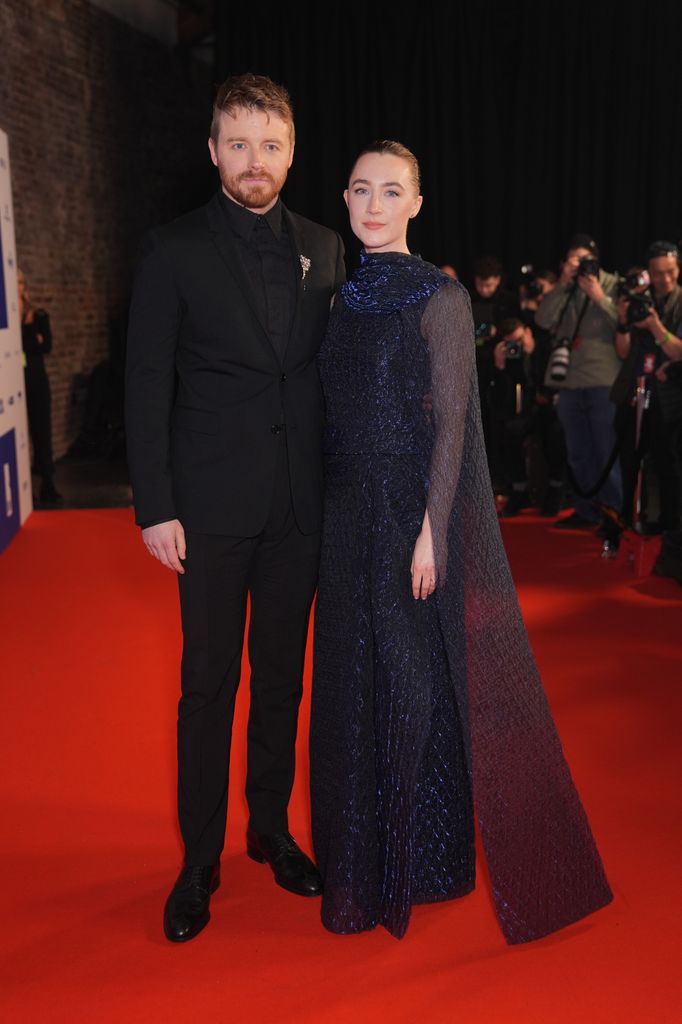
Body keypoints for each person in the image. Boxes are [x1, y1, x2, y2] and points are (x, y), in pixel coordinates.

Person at [309, 140, 612, 944]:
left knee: (415, 685)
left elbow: (452, 425)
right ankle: (362, 861)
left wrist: (431, 532)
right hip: (344, 518)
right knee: (350, 684)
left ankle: (427, 856)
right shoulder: (338, 303)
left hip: (410, 516)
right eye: (363, 190)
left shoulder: (438, 296)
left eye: (393, 191)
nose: (375, 204)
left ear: (417, 203)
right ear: (345, 200)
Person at [124, 73, 346, 943]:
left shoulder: (327, 247)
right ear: (213, 150)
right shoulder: (172, 248)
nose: (257, 160)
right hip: (209, 512)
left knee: (283, 683)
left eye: (273, 144)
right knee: (208, 688)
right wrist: (155, 504)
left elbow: (332, 375)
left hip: (299, 508)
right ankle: (198, 861)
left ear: (291, 152)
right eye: (240, 143)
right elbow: (148, 383)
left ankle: (270, 830)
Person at [535, 234, 622, 532]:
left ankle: (614, 514)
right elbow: (543, 319)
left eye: (585, 259)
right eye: (574, 259)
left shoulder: (612, 284)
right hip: (569, 382)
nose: (581, 265)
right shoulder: (566, 288)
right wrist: (562, 282)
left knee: (605, 449)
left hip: (602, 379)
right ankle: (587, 511)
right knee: (578, 452)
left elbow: (623, 325)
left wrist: (599, 296)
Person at [18, 269, 61, 505]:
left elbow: (46, 346)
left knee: (42, 431)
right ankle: (22, 488)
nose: (18, 287)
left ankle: (48, 483)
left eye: (21, 282)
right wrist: (32, 341)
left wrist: (31, 342)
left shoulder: (39, 315)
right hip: (14, 382)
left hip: (36, 380)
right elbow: (32, 344)